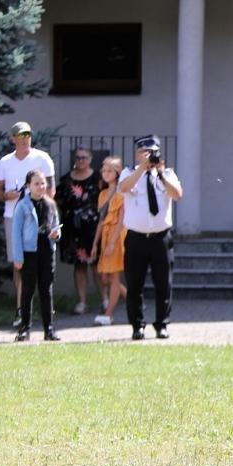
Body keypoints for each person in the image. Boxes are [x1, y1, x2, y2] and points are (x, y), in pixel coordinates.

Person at [118, 135, 183, 340]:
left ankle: (162, 325)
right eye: (144, 152)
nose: (148, 155)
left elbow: (177, 194)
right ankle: (137, 326)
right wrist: (141, 169)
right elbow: (123, 188)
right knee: (134, 284)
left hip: (160, 238)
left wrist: (160, 173)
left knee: (164, 283)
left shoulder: (167, 173)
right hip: (136, 238)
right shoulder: (129, 172)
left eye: (152, 152)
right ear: (137, 154)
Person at [0, 121, 55, 328]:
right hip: (13, 215)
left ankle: (45, 317)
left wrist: (45, 211)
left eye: (27, 135)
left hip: (38, 216)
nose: (24, 139)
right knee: (18, 263)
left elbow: (51, 190)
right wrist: (7, 195)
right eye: (20, 135)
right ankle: (21, 310)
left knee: (42, 265)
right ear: (13, 139)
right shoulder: (5, 162)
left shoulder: (42, 158)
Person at [10, 169, 62, 342]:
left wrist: (56, 234)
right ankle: (25, 328)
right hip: (29, 252)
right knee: (28, 289)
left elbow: (56, 225)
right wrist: (18, 257)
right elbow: (16, 233)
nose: (40, 187)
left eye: (43, 183)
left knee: (46, 290)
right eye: (36, 184)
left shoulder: (50, 204)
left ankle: (49, 329)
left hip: (46, 250)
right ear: (28, 186)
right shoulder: (22, 206)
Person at [56, 147, 101, 314]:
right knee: (79, 266)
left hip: (94, 229)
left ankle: (105, 300)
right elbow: (58, 200)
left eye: (84, 157)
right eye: (78, 157)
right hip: (73, 229)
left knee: (96, 265)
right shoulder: (66, 180)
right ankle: (82, 302)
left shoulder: (99, 178)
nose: (81, 160)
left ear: (90, 159)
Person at [90, 155, 127, 326]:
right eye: (103, 170)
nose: (105, 173)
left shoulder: (122, 193)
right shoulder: (103, 194)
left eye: (110, 171)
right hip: (105, 234)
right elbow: (101, 220)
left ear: (117, 173)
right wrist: (95, 244)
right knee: (104, 276)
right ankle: (133, 299)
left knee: (113, 275)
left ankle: (109, 314)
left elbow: (122, 220)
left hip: (116, 235)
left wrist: (112, 242)